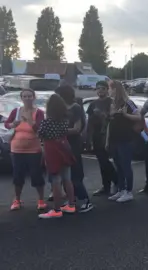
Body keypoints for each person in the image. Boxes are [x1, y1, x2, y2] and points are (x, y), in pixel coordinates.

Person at [4, 89, 46, 211]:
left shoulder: (38, 112)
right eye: (25, 96)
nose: (27, 98)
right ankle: (17, 199)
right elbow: (7, 123)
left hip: (33, 149)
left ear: (34, 97)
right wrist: (12, 125)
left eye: (29, 96)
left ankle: (41, 200)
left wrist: (29, 120)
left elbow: (40, 129)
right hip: (16, 149)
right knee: (18, 175)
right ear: (21, 98)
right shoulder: (16, 111)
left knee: (36, 175)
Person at [37, 94, 76, 219]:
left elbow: (40, 134)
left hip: (52, 150)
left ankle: (56, 209)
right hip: (64, 148)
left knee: (55, 181)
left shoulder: (46, 122)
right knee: (67, 179)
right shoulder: (65, 121)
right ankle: (71, 205)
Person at [55, 85, 93, 213]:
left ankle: (85, 200)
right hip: (62, 143)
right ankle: (73, 198)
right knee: (66, 174)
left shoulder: (75, 108)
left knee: (76, 173)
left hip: (73, 143)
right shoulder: (61, 109)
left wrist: (60, 130)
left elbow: (77, 128)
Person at [106, 80, 142, 203]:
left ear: (116, 89)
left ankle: (129, 191)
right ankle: (121, 189)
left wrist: (126, 115)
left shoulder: (128, 103)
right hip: (115, 139)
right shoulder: (112, 104)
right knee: (119, 166)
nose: (109, 91)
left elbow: (139, 116)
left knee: (126, 165)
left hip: (126, 139)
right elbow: (110, 123)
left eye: (110, 88)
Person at [86, 81, 118, 196]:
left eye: (103, 88)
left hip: (108, 135)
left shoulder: (111, 102)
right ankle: (106, 186)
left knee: (107, 162)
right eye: (98, 88)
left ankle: (117, 181)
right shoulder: (93, 104)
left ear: (107, 90)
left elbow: (114, 118)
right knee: (101, 162)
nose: (100, 91)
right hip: (96, 136)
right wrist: (88, 138)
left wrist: (102, 114)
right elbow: (89, 123)